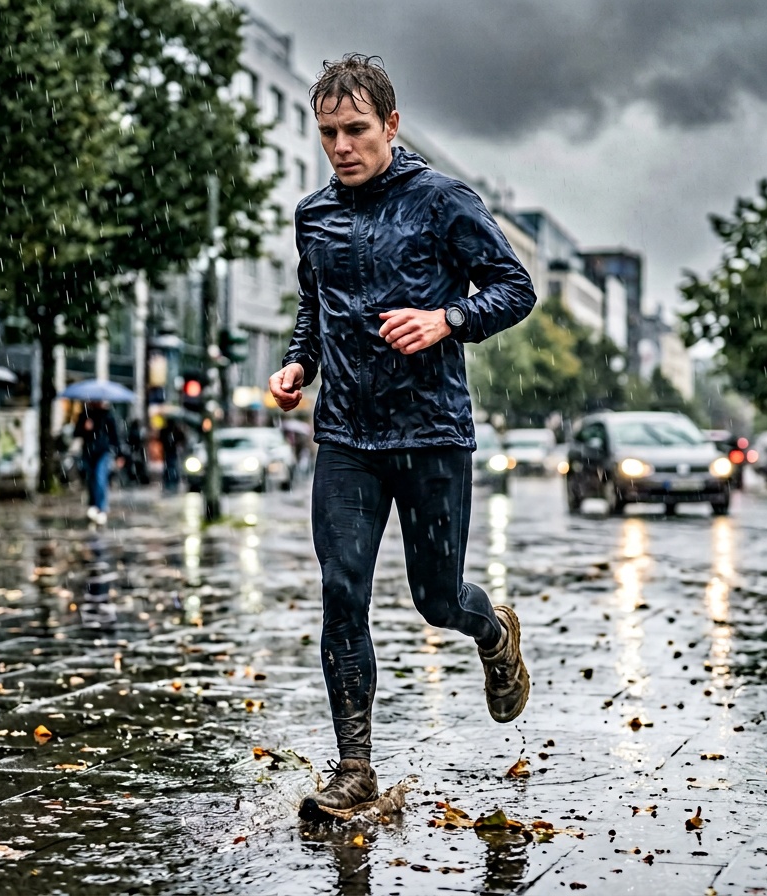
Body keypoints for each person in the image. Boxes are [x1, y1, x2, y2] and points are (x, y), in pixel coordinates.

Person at [267, 54, 537, 822]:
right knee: (341, 593)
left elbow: (516, 288)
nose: (342, 146)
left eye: (356, 130)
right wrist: (297, 364)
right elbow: (313, 307)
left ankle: (493, 632)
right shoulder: (313, 215)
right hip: (348, 437)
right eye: (328, 134)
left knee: (437, 599)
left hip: (431, 434)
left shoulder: (443, 201)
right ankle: (355, 766)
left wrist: (446, 319)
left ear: (391, 125)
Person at [76, 401, 123, 526]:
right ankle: (94, 505)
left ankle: (101, 507)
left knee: (100, 477)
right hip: (88, 452)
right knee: (91, 478)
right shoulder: (86, 415)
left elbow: (115, 436)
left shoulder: (108, 416)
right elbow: (77, 432)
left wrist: (120, 454)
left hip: (103, 452)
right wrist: (85, 428)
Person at [159, 417, 188, 494]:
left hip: (171, 451)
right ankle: (170, 481)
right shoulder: (169, 431)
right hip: (169, 451)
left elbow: (182, 439)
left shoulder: (173, 431)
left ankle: (172, 481)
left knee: (172, 465)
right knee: (171, 465)